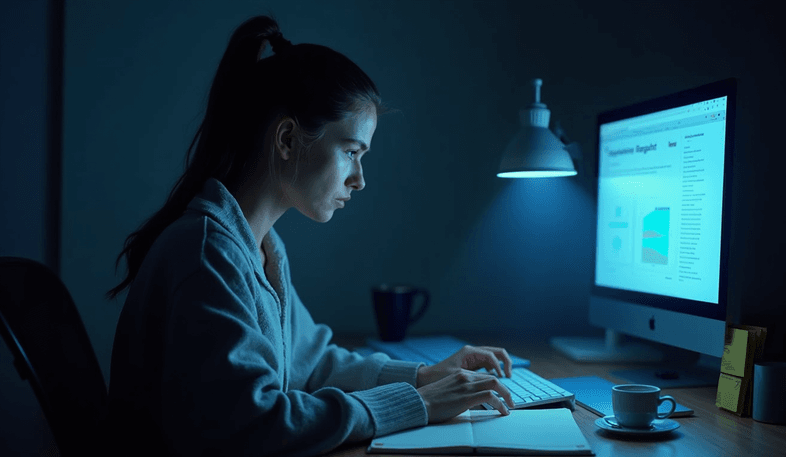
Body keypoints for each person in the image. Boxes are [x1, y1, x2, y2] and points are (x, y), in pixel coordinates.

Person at [106, 14, 516, 457]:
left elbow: (313, 363)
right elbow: (252, 425)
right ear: (286, 139)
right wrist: (416, 404)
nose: (359, 179)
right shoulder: (209, 254)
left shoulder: (260, 246)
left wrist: (422, 377)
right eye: (351, 152)